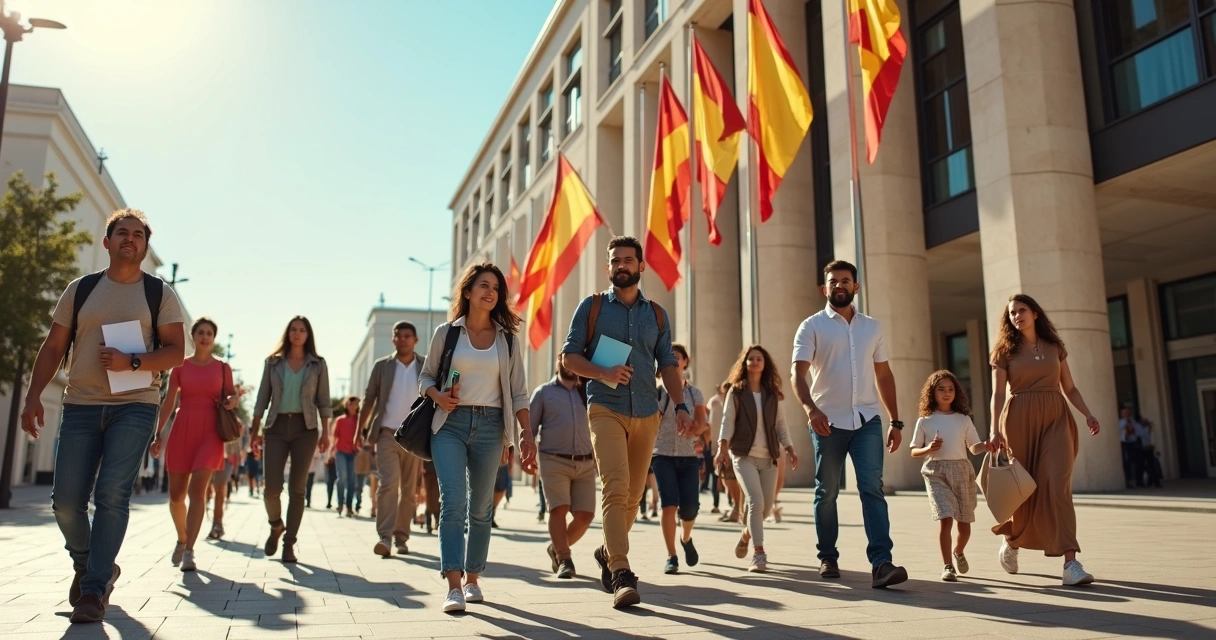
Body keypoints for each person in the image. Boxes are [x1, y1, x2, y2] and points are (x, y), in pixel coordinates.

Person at [20, 209, 186, 623]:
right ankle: (92, 564)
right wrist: (33, 394)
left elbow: (175, 352)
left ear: (145, 247)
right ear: (107, 241)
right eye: (122, 233)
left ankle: (93, 591)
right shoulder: (81, 289)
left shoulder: (159, 293)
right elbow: (55, 345)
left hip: (136, 405)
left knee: (112, 494)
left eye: (138, 235)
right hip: (80, 404)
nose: (130, 239)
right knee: (66, 503)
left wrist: (133, 361)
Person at [560, 236, 690, 609]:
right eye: (615, 260)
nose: (622, 265)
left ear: (641, 267)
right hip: (605, 407)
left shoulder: (658, 315)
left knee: (633, 497)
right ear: (608, 268)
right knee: (615, 488)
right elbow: (570, 357)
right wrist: (602, 372)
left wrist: (680, 405)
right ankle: (621, 571)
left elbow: (667, 363)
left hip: (648, 411)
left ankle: (605, 549)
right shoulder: (593, 307)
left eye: (628, 260)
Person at [419, 263, 537, 613]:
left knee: (482, 508)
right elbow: (424, 378)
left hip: (490, 427)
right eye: (483, 285)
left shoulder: (507, 340)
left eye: (496, 288)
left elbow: (518, 393)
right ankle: (454, 586)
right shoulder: (447, 333)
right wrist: (439, 397)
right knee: (453, 501)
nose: (490, 292)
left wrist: (524, 434)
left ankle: (473, 579)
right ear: (467, 292)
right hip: (450, 425)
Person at [791, 260, 908, 589]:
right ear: (823, 288)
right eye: (833, 281)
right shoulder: (811, 326)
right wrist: (811, 410)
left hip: (867, 419)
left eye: (846, 281)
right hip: (827, 420)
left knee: (872, 489)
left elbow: (883, 375)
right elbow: (797, 375)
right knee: (827, 492)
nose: (839, 285)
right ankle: (828, 555)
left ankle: (881, 563)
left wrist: (895, 420)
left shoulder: (872, 327)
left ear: (856, 287)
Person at [989, 294, 1102, 586]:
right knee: (1024, 490)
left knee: (1057, 483)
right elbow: (998, 394)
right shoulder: (1004, 350)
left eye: (1022, 310)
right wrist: (994, 429)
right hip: (1018, 420)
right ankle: (1012, 540)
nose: (1016, 316)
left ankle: (1070, 562)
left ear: (1035, 313)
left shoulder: (1055, 347)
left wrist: (1088, 414)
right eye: (1012, 313)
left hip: (1056, 418)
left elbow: (1070, 388)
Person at [151, 317, 238, 572]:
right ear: (193, 336)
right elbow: (169, 401)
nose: (205, 336)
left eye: (210, 333)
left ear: (214, 338)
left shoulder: (223, 368)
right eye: (201, 332)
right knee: (176, 497)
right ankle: (181, 538)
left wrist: (232, 400)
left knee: (197, 491)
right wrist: (158, 433)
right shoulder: (180, 366)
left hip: (211, 432)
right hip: (183, 428)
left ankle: (189, 551)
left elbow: (230, 393)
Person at [251, 316, 333, 563]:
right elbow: (261, 399)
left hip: (305, 429)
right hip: (275, 427)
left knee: (298, 490)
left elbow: (324, 401)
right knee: (271, 488)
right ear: (287, 334)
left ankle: (289, 544)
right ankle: (276, 525)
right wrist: (254, 431)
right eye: (293, 330)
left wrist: (326, 432)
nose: (297, 334)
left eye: (302, 330)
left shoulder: (318, 364)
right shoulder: (273, 363)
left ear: (308, 335)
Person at [715, 345, 798, 573]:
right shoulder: (737, 391)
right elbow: (727, 422)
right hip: (743, 455)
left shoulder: (773, 393)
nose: (754, 362)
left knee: (766, 509)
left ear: (765, 363)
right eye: (750, 359)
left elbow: (781, 425)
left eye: (758, 358)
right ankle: (759, 553)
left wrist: (790, 448)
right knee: (755, 501)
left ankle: (745, 535)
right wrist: (722, 449)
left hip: (769, 456)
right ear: (745, 363)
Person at [910, 370, 993, 582]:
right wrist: (929, 448)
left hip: (962, 471)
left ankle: (958, 551)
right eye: (941, 389)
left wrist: (986, 446)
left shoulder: (963, 419)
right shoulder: (925, 421)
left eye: (950, 389)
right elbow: (914, 451)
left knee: (964, 524)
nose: (947, 393)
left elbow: (974, 448)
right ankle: (948, 566)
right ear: (932, 392)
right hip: (935, 472)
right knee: (945, 518)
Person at [358, 320, 426, 556]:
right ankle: (384, 537)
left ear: (415, 340)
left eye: (408, 336)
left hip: (414, 437)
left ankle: (401, 537)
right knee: (389, 483)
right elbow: (369, 399)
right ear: (393, 339)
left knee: (409, 490)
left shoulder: (425, 366)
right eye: (398, 335)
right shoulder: (382, 366)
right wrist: (361, 431)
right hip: (387, 433)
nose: (403, 339)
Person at [530, 360, 596, 579]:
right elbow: (529, 428)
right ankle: (564, 558)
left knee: (586, 515)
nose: (569, 363)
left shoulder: (587, 392)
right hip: (553, 459)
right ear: (558, 363)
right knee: (559, 508)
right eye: (564, 358)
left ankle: (556, 548)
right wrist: (525, 454)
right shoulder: (543, 393)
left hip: (586, 462)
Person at [651, 344, 709, 575]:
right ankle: (671, 556)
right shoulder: (657, 392)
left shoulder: (695, 393)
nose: (674, 361)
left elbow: (703, 422)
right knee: (668, 505)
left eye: (677, 357)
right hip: (661, 455)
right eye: (670, 357)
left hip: (688, 455)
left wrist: (696, 428)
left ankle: (686, 539)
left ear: (686, 362)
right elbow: (650, 421)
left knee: (690, 509)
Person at [331, 396, 361, 517]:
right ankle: (340, 503)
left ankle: (349, 506)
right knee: (342, 477)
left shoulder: (359, 421)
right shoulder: (340, 420)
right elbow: (334, 437)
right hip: (341, 452)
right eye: (350, 404)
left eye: (355, 405)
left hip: (353, 453)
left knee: (352, 481)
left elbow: (361, 436)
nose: (353, 407)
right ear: (346, 405)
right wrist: (330, 453)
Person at [209, 439, 242, 539]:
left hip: (226, 460)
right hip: (208, 456)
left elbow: (236, 444)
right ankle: (216, 524)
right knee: (209, 490)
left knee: (219, 489)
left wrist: (236, 466)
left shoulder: (231, 423)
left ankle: (217, 524)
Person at [1118, 406, 1144, 489]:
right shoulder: (1120, 422)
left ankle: (1139, 481)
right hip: (1125, 443)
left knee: (1138, 462)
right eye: (1124, 412)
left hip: (1134, 443)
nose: (1126, 414)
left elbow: (1140, 432)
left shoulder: (1133, 422)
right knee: (1127, 462)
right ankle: (1128, 481)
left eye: (1127, 412)